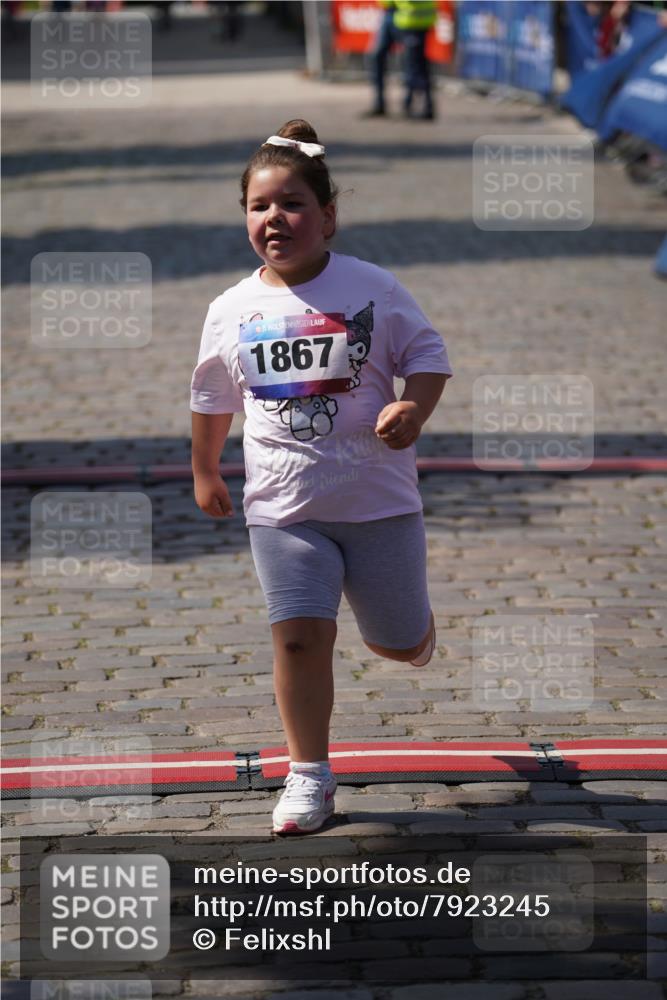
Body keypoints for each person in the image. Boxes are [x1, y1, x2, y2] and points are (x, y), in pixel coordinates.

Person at [190, 119, 452, 835]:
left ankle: (413, 632)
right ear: (245, 217)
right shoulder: (230, 310)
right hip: (282, 506)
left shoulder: (371, 287)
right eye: (259, 206)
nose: (275, 218)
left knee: (394, 643)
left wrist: (412, 404)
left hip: (377, 502)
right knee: (300, 638)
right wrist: (206, 470)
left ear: (328, 216)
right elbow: (213, 398)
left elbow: (427, 354)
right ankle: (308, 777)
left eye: (293, 203)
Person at [394, 0, 438, 120]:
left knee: (415, 68)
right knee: (419, 67)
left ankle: (418, 105)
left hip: (413, 22)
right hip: (420, 21)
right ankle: (420, 105)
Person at [362, 0, 400, 118]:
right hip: (388, 12)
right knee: (375, 57)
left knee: (412, 62)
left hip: (406, 13)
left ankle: (413, 106)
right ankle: (379, 104)